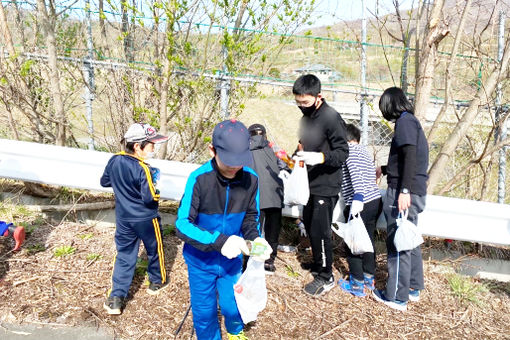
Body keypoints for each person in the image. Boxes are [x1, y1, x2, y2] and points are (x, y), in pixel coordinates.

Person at [175, 119, 271, 340]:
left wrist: (256, 239)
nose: (235, 167)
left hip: (231, 261)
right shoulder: (199, 179)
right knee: (204, 312)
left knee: (233, 306)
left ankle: (235, 332)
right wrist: (219, 241)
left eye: (240, 161)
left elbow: (250, 216)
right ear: (212, 150)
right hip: (200, 262)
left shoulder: (251, 179)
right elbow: (182, 224)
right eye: (229, 161)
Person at [100, 123, 169, 315]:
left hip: (123, 218)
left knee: (124, 254)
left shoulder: (115, 160)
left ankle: (116, 297)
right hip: (146, 218)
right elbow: (150, 197)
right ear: (138, 146)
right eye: (151, 144)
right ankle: (157, 282)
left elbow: (104, 181)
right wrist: (156, 189)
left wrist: (122, 187)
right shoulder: (143, 169)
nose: (154, 148)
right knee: (155, 249)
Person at [292, 74, 349, 296]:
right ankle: (318, 263)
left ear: (318, 97)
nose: (301, 107)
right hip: (309, 182)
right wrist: (296, 157)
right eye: (298, 103)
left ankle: (326, 276)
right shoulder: (308, 118)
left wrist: (321, 158)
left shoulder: (331, 118)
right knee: (308, 222)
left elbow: (343, 153)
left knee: (320, 229)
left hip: (326, 183)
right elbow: (303, 143)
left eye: (305, 103)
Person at [372, 87, 429, 312]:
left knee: (398, 242)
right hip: (414, 189)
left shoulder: (404, 122)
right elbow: (405, 160)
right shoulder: (411, 121)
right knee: (409, 239)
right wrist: (385, 169)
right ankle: (413, 287)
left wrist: (403, 190)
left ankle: (396, 296)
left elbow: (410, 155)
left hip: (405, 192)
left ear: (389, 105)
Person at [337, 124, 382, 297]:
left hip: (360, 202)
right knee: (367, 240)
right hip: (374, 200)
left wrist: (358, 198)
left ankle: (356, 284)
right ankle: (369, 278)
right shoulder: (363, 151)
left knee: (354, 242)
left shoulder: (349, 151)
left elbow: (355, 173)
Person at [248, 123, 284, 273]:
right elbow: (287, 165)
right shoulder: (275, 149)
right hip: (275, 195)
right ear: (264, 134)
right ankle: (269, 262)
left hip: (256, 196)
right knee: (272, 229)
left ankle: (253, 260)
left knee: (254, 228)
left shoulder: (244, 150)